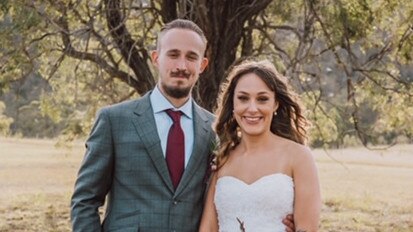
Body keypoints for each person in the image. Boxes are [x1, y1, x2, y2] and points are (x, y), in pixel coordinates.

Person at [71, 19, 295, 232]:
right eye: (173, 55)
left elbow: (228, 197)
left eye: (191, 57)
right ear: (156, 58)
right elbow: (85, 201)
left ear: (202, 64)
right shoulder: (114, 120)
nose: (181, 65)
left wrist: (278, 219)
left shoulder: (216, 130)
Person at [199, 60, 321, 232]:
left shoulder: (298, 156)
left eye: (262, 99)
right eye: (243, 98)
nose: (252, 108)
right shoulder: (222, 159)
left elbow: (307, 228)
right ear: (233, 104)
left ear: (275, 104)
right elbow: (208, 228)